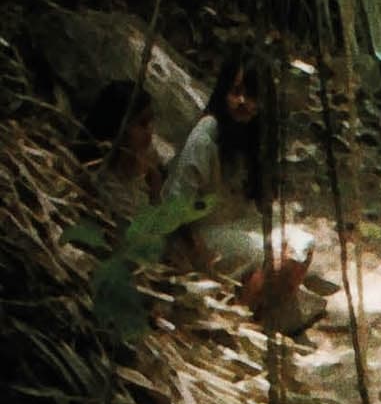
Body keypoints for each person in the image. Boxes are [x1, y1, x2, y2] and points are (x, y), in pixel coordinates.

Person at [163, 52, 328, 335]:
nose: (243, 102)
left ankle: (250, 313)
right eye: (236, 92)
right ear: (223, 92)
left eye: (251, 95)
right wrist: (193, 252)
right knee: (274, 256)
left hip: (243, 225)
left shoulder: (256, 135)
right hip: (207, 230)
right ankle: (238, 322)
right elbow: (176, 204)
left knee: (302, 245)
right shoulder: (207, 134)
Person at [79, 80, 165, 237]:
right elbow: (145, 239)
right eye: (142, 124)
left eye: (150, 123)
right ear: (119, 126)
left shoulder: (139, 162)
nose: (149, 133)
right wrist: (155, 194)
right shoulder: (102, 180)